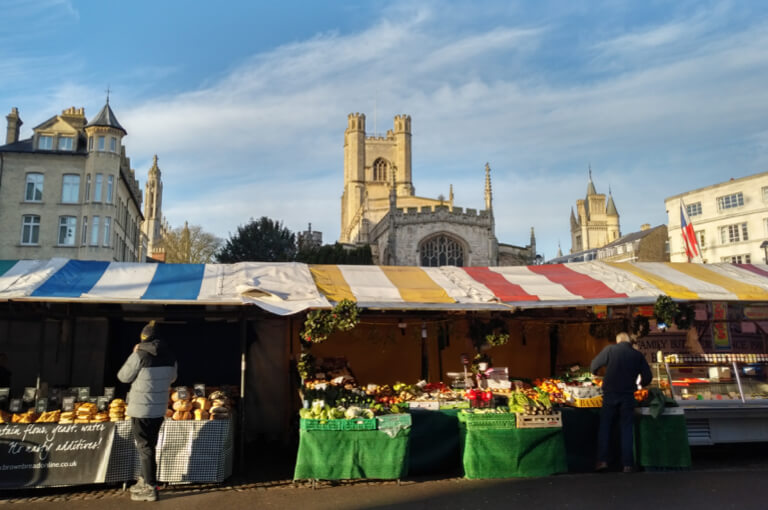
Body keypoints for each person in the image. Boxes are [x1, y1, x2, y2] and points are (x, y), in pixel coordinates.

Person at [118, 321, 177, 502]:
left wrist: (133, 353)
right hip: (159, 409)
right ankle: (145, 480)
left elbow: (123, 377)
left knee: (144, 447)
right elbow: (173, 378)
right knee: (150, 446)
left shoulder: (139, 355)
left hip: (140, 409)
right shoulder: (170, 356)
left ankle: (150, 487)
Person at [590, 331, 652, 473]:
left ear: (617, 341)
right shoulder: (637, 355)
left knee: (605, 426)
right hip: (628, 395)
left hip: (610, 394)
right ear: (629, 342)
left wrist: (596, 373)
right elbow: (648, 376)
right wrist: (640, 384)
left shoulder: (610, 350)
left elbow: (594, 365)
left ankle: (602, 461)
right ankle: (627, 464)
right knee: (626, 428)